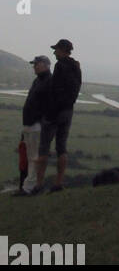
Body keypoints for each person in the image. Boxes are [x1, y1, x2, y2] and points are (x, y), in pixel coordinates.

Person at [34, 39, 82, 193]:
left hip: (55, 112)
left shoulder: (60, 66)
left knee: (43, 148)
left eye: (56, 50)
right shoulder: (76, 67)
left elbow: (54, 90)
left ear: (63, 50)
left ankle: (39, 184)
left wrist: (50, 111)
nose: (54, 52)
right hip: (68, 111)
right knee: (62, 148)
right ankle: (58, 183)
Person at [15, 56, 51, 196]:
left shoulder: (48, 81)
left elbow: (48, 104)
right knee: (30, 157)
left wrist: (41, 120)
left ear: (46, 65)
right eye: (34, 64)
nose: (34, 66)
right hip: (30, 124)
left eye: (37, 64)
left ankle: (30, 187)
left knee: (35, 157)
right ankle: (28, 186)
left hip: (37, 124)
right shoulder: (38, 80)